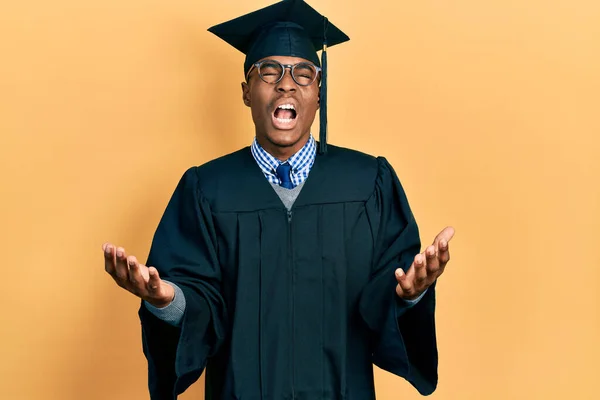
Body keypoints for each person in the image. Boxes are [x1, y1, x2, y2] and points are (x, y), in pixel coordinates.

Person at [103, 1, 455, 399]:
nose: (286, 83)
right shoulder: (206, 189)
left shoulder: (367, 183)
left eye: (303, 73)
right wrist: (167, 301)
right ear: (246, 92)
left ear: (318, 94)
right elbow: (199, 300)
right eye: (268, 72)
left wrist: (411, 295)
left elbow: (384, 296)